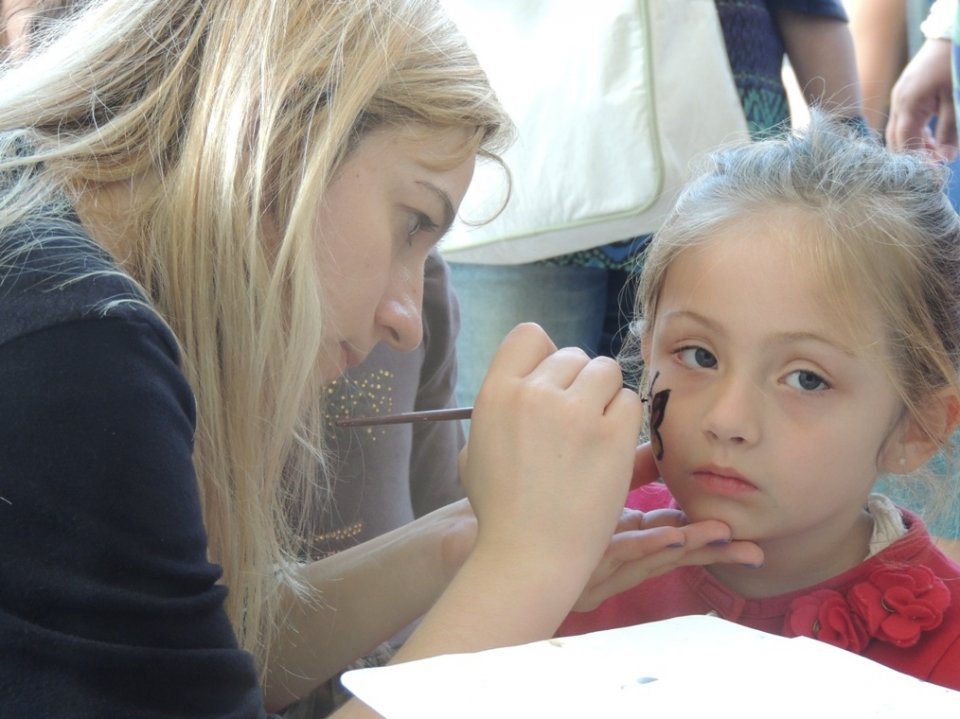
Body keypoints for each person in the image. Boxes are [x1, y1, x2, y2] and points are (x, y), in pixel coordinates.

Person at [0, 1, 767, 717]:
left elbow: (200, 656)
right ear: (281, 130)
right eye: (412, 221)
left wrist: (470, 542)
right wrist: (528, 563)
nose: (408, 320)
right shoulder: (76, 342)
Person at [557, 115, 960, 689]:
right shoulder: (577, 553)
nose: (727, 420)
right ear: (647, 356)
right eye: (698, 355)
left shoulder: (946, 662)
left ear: (915, 428)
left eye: (806, 379)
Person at [447, 0, 865, 413]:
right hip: (529, 151)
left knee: (713, 432)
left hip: (704, 166)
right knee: (518, 429)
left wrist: (847, 149)